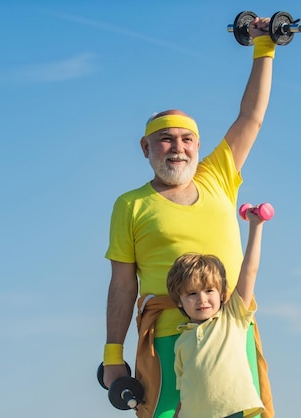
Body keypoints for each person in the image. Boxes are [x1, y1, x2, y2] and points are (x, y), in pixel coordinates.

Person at [103, 16, 276, 418]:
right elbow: (122, 285)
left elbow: (251, 118)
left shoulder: (217, 176)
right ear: (146, 147)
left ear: (198, 146)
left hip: (230, 332)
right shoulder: (130, 204)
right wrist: (113, 355)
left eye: (186, 139)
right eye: (165, 139)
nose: (177, 148)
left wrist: (264, 46)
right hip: (164, 337)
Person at [167, 206, 267, 418]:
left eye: (209, 290)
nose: (202, 299)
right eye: (192, 294)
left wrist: (256, 226)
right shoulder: (182, 342)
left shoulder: (232, 318)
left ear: (222, 293)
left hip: (230, 411)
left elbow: (249, 270)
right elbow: (185, 394)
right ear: (179, 302)